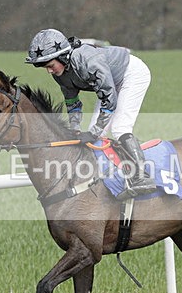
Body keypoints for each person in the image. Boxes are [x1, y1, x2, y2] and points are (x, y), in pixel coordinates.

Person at [25, 28, 156, 200]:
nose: (49, 71)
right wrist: (75, 130)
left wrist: (92, 132)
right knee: (98, 135)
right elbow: (72, 102)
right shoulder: (60, 73)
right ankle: (109, 177)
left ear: (63, 57)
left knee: (119, 127)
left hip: (132, 74)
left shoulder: (87, 61)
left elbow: (109, 98)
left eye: (50, 65)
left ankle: (142, 176)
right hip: (109, 84)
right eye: (45, 67)